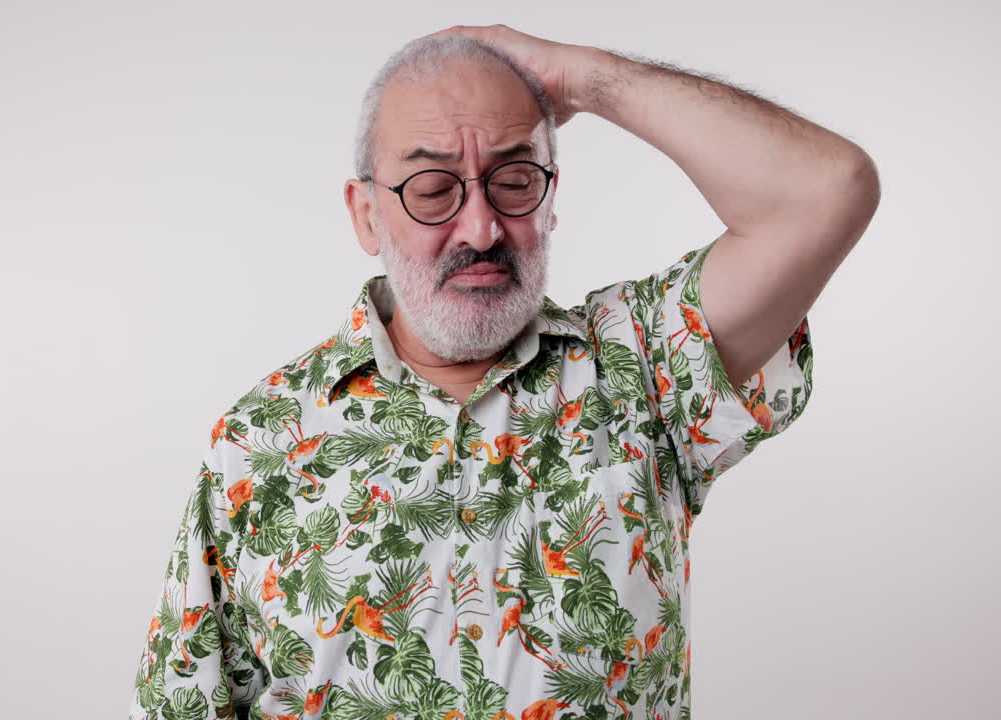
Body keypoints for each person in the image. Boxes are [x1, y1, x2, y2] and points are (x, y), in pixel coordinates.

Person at [128, 24, 877, 720]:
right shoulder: (256, 443)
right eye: (432, 190)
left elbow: (827, 189)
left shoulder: (642, 367)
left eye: (515, 179)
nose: (482, 227)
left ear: (552, 200)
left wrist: (584, 79)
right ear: (364, 215)